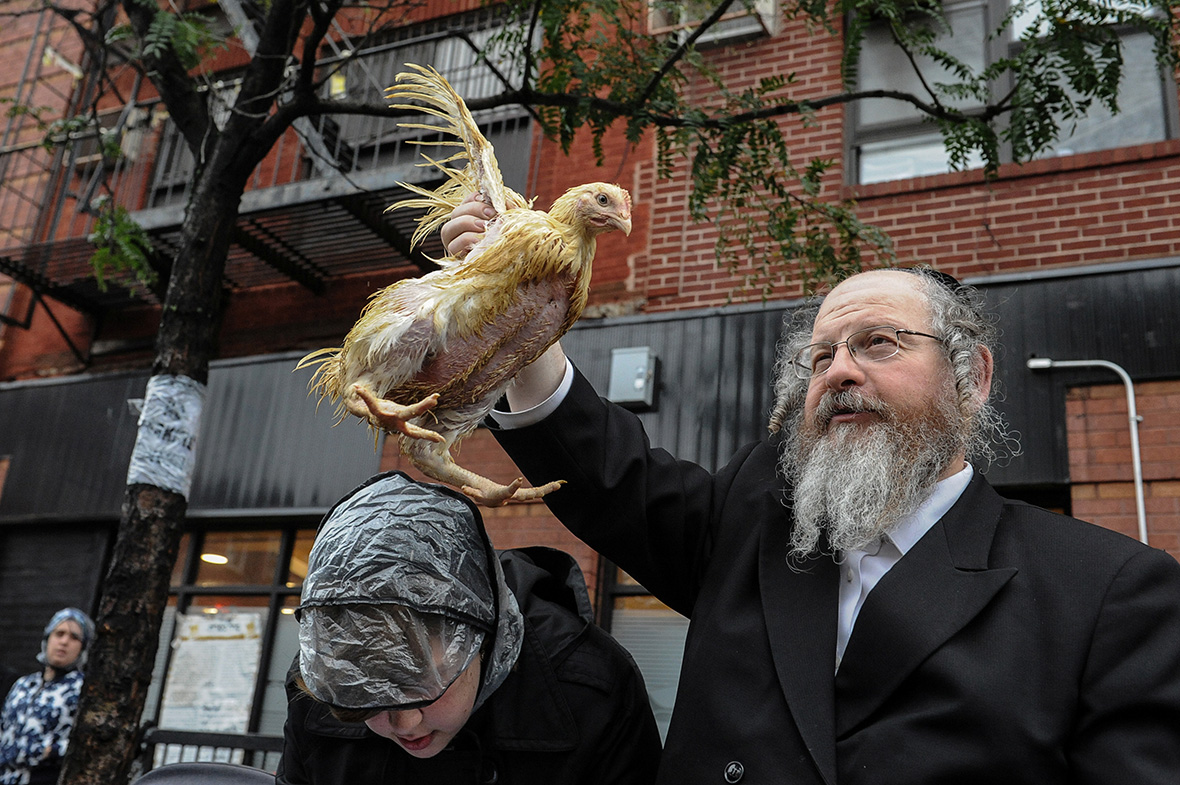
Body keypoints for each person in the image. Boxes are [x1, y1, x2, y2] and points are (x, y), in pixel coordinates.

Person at [440, 198, 1180, 783]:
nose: (838, 371)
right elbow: (613, 476)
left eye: (877, 343)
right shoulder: (754, 515)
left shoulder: (1111, 591)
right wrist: (523, 323)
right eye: (820, 355)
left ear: (973, 377)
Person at [276, 471, 661, 785]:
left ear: (483, 633)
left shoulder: (591, 691)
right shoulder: (320, 688)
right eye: (367, 698)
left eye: (419, 685)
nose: (404, 723)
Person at [0, 607, 95, 785]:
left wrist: (49, 751)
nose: (64, 642)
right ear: (47, 638)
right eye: (59, 633)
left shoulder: (83, 690)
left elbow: (87, 742)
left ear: (83, 647)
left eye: (74, 637)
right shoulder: (23, 685)